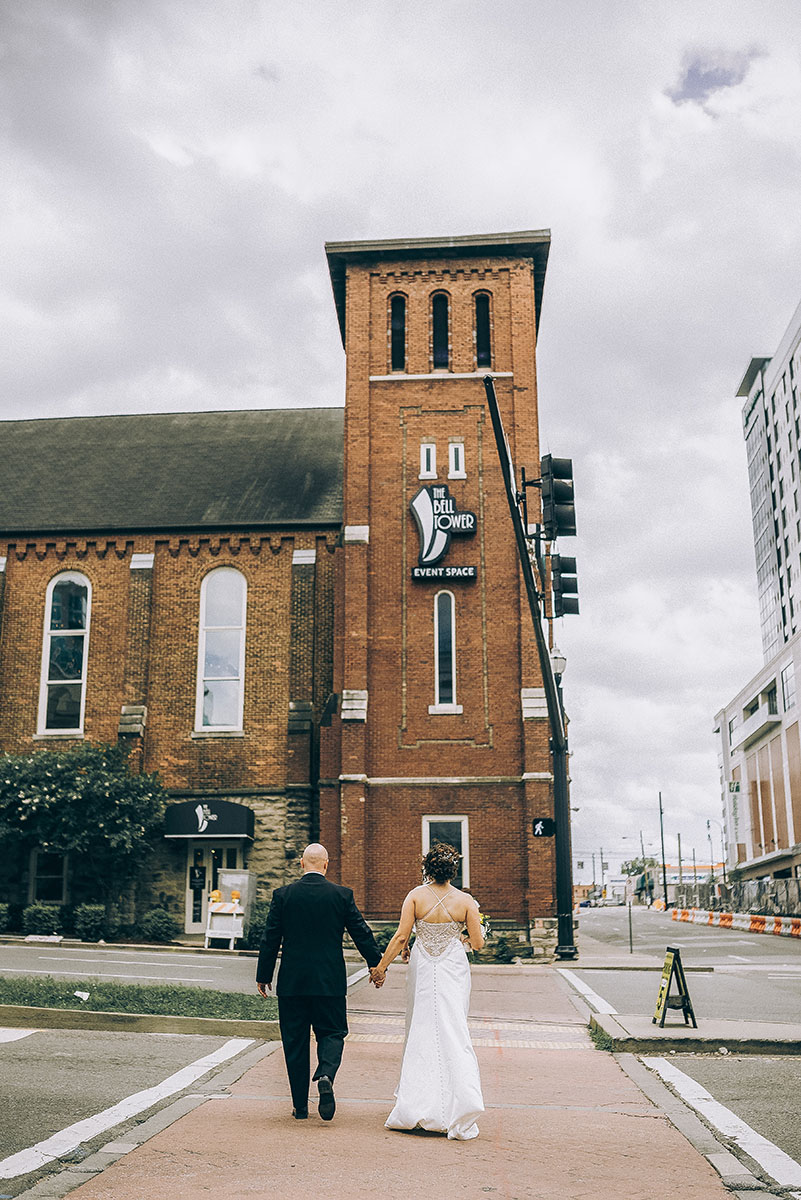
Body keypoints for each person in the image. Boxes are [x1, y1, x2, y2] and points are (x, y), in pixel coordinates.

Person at [256, 842, 383, 1121]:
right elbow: (361, 932)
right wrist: (376, 964)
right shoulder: (341, 895)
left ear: (302, 864)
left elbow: (270, 938)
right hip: (329, 981)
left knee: (295, 1041)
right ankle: (325, 1073)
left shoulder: (283, 895)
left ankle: (300, 1107)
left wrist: (263, 976)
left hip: (293, 982)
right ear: (326, 865)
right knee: (333, 1032)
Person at [371, 842, 485, 1140]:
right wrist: (462, 936)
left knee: (421, 1027)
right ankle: (459, 1105)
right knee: (453, 1028)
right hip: (452, 968)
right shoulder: (465, 901)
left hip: (423, 967)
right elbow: (478, 943)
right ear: (453, 870)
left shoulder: (415, 897)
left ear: (427, 868)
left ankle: (415, 1106)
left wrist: (381, 967)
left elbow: (400, 938)